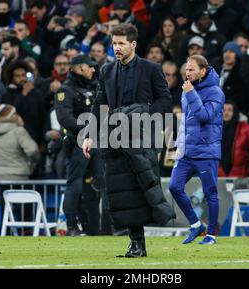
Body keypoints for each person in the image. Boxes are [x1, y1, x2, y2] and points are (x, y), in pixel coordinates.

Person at [82, 24, 175, 257]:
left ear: (133, 44)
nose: (117, 48)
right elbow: (99, 105)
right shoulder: (107, 70)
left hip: (142, 137)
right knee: (122, 192)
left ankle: (148, 236)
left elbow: (165, 101)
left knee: (139, 188)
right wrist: (89, 135)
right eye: (114, 43)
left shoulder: (151, 69)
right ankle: (136, 244)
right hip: (115, 137)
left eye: (121, 43)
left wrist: (144, 114)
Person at [168, 54, 224, 245]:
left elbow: (205, 117)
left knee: (210, 194)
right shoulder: (187, 90)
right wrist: (179, 146)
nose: (187, 72)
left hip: (206, 152)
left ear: (203, 71)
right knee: (174, 187)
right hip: (187, 151)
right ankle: (195, 224)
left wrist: (191, 93)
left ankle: (211, 235)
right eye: (186, 69)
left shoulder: (215, 92)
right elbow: (186, 123)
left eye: (191, 69)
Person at [55, 54, 105, 236]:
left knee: (102, 181)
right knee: (74, 184)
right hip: (77, 142)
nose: (93, 69)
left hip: (97, 142)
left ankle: (100, 226)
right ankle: (71, 225)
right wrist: (89, 127)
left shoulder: (96, 88)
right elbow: (65, 119)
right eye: (90, 66)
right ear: (78, 68)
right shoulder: (65, 91)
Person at [0, 104, 40, 180]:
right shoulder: (18, 131)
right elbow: (32, 150)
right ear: (12, 115)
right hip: (19, 175)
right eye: (15, 113)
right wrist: (33, 162)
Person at [219, 100, 249, 177]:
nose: (226, 113)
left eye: (229, 110)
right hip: (218, 174)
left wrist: (247, 169)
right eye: (224, 110)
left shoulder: (247, 130)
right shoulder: (212, 130)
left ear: (235, 112)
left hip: (240, 175)